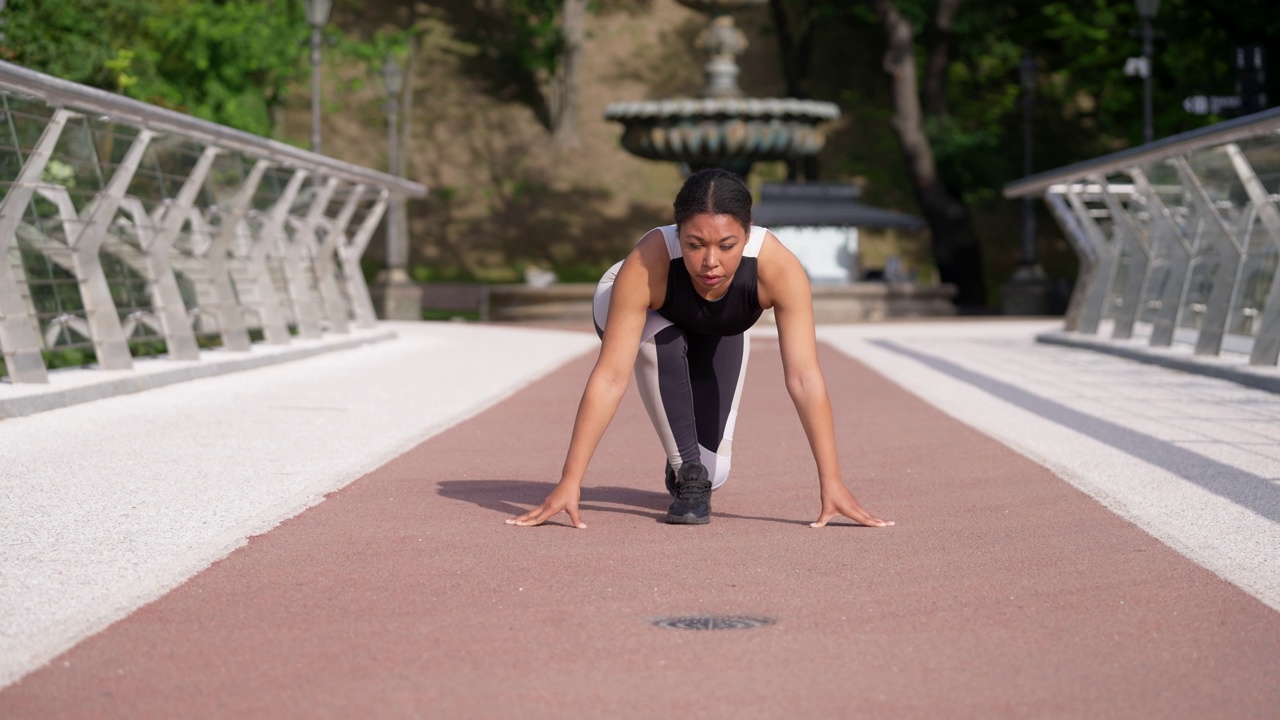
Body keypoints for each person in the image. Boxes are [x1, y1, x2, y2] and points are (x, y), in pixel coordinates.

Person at [507, 168, 893, 529]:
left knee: (717, 472)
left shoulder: (777, 267)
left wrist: (832, 481)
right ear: (679, 234)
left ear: (748, 234)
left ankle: (695, 462)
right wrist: (570, 480)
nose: (711, 261)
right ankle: (686, 469)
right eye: (694, 244)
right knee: (663, 346)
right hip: (640, 312)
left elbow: (805, 377)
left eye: (727, 245)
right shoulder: (650, 261)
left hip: (716, 325)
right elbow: (610, 378)